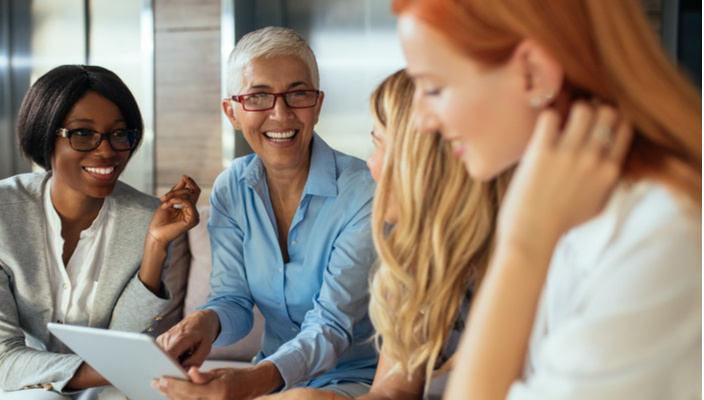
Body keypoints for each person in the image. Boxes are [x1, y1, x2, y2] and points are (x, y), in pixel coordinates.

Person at [392, 0, 702, 399]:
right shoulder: (572, 203)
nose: (421, 119)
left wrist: (523, 246)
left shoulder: (664, 236)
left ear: (533, 73)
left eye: (434, 87)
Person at [0, 65, 201, 400]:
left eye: (119, 133)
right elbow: (1, 357)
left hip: (99, 386)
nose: (106, 150)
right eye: (83, 133)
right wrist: (123, 368)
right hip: (3, 385)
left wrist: (156, 245)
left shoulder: (149, 216)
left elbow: (124, 340)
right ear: (45, 136)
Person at [151, 26, 379, 399]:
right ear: (233, 112)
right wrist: (203, 322)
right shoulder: (231, 188)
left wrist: (252, 382)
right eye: (258, 96)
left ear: (317, 104)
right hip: (273, 378)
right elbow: (234, 301)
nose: (281, 113)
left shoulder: (363, 192)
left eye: (298, 94)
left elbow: (333, 326)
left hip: (355, 380)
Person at [260, 69, 511, 400]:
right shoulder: (415, 264)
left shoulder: (522, 264)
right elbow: (393, 391)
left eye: (379, 145)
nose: (370, 164)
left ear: (422, 161)